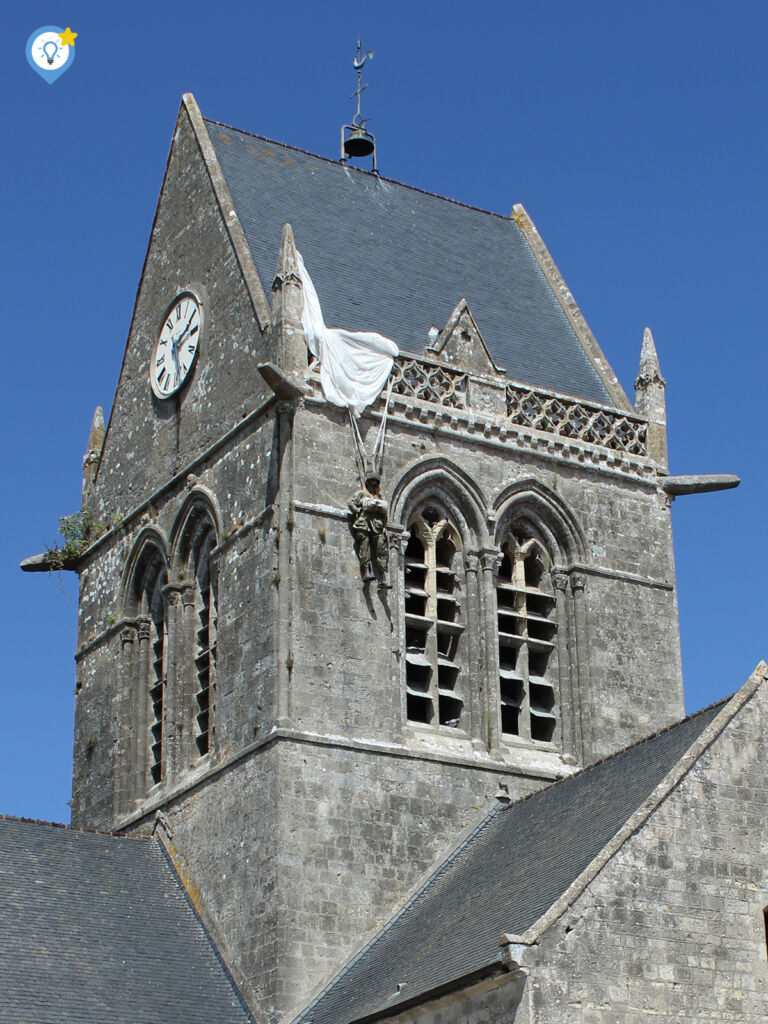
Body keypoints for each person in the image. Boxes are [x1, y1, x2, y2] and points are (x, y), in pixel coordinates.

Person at [348, 472, 391, 588]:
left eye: (375, 482)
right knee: (364, 547)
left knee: (381, 550)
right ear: (368, 482)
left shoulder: (379, 498)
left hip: (377, 527)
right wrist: (358, 511)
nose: (373, 484)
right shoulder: (361, 493)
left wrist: (384, 527)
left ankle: (382, 578)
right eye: (372, 481)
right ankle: (366, 572)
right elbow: (350, 503)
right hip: (363, 525)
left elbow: (384, 515)